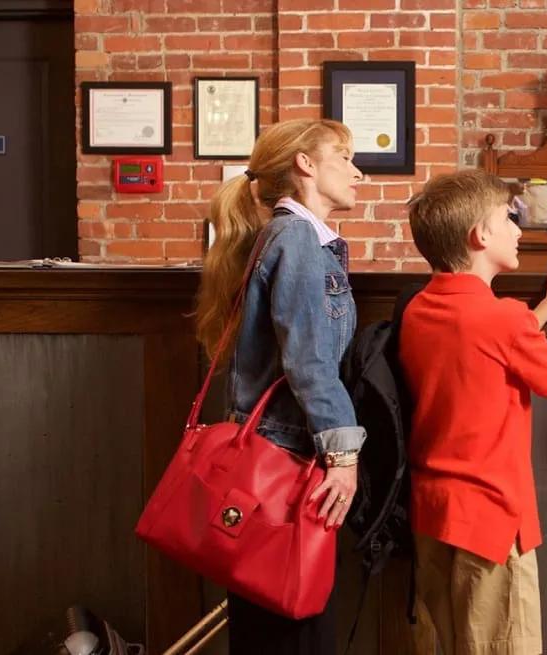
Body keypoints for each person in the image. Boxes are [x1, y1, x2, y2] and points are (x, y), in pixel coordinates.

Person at [399, 168, 547, 655]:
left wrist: (543, 310)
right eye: (509, 218)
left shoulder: (416, 309)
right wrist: (539, 315)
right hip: (492, 518)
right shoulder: (505, 318)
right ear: (480, 235)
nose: (518, 228)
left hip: (433, 513)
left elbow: (481, 344)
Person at [191, 118, 367, 654]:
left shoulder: (291, 239)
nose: (357, 172)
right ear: (306, 166)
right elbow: (310, 364)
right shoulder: (299, 244)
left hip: (275, 458)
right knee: (293, 628)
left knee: (274, 623)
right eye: (344, 158)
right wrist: (343, 457)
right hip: (288, 463)